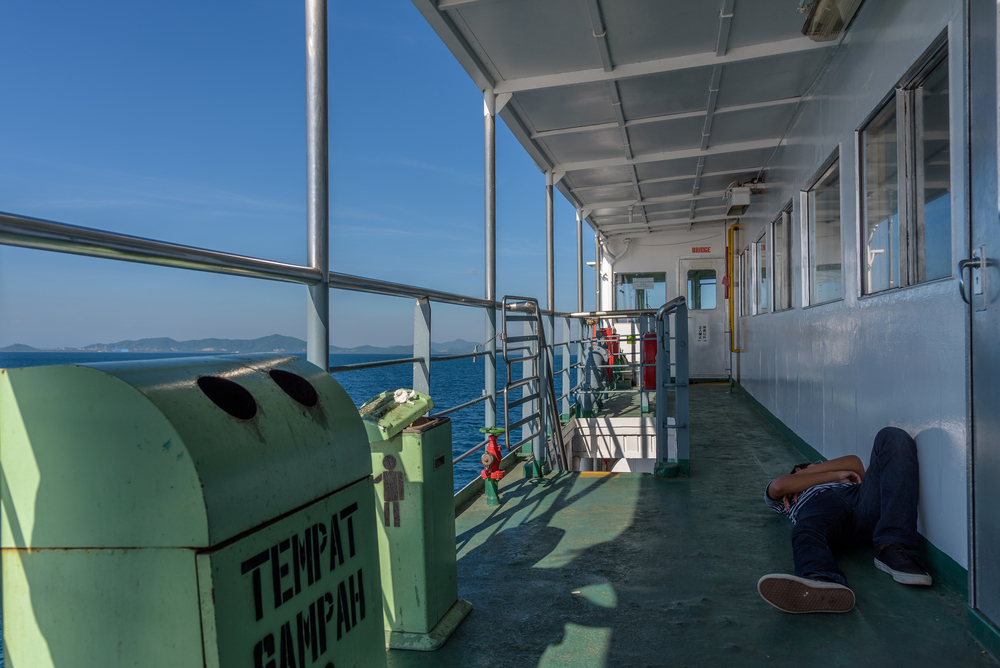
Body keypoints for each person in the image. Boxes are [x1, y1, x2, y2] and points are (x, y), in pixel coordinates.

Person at [758, 427, 931, 613]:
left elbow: (855, 463)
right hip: (820, 513)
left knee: (892, 436)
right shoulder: (789, 498)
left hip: (861, 501)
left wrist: (818, 472)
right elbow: (777, 487)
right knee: (805, 531)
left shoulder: (838, 476)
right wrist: (829, 475)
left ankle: (892, 548)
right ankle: (822, 580)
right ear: (797, 471)